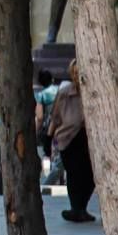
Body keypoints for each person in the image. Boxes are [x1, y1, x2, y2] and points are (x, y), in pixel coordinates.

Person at [49, 61, 94, 221]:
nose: (77, 76)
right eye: (74, 73)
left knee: (90, 175)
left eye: (79, 73)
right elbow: (55, 117)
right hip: (69, 139)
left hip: (89, 139)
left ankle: (82, 207)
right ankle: (76, 208)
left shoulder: (94, 92)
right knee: (74, 174)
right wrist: (49, 138)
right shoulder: (65, 92)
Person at [32, 69, 59, 177]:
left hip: (48, 127)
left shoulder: (41, 95)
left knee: (46, 152)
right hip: (64, 124)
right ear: (52, 79)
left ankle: (48, 175)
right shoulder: (60, 90)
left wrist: (35, 130)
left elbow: (39, 117)